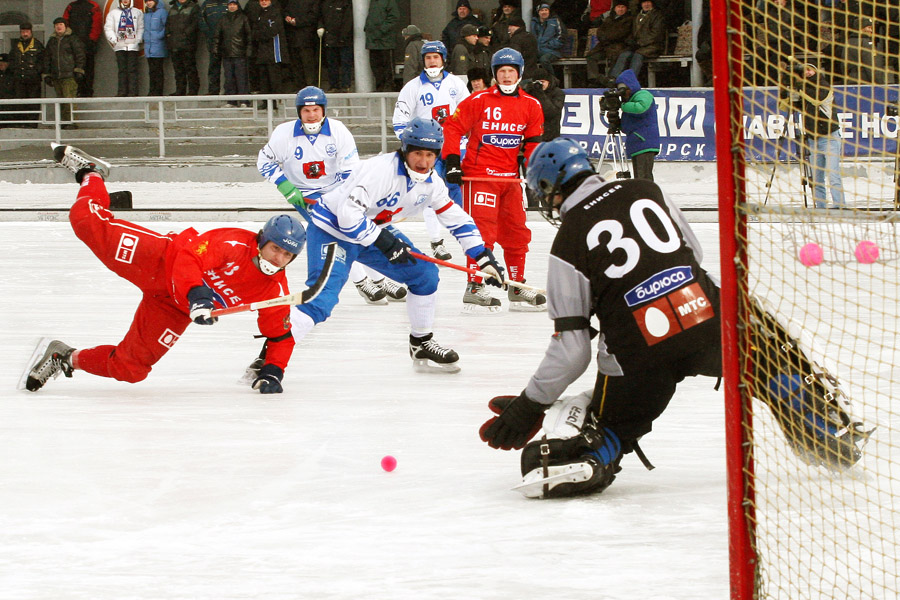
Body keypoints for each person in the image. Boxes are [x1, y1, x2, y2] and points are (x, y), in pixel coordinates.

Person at [479, 138, 867, 498]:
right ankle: (819, 420)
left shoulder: (566, 244)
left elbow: (572, 351)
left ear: (550, 191)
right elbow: (693, 255)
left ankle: (592, 456)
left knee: (614, 426)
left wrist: (531, 404)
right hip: (704, 320)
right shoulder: (647, 190)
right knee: (765, 356)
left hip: (638, 353)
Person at [24, 143, 306, 395]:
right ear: (261, 241)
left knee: (130, 369)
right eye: (275, 248)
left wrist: (274, 371)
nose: (279, 258)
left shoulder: (275, 289)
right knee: (85, 221)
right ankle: (91, 173)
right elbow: (189, 260)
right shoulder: (232, 243)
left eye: (287, 254)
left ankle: (64, 357)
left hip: (172, 307)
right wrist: (198, 295)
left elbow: (280, 336)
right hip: (159, 260)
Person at [275, 117, 505, 374]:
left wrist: (483, 256)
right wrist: (384, 242)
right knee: (321, 301)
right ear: (405, 150)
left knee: (424, 274)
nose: (423, 161)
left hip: (372, 231)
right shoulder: (380, 171)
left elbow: (457, 218)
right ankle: (270, 356)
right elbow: (348, 215)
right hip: (333, 231)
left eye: (430, 155)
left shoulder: (432, 183)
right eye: (417, 153)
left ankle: (421, 341)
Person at [258, 86, 406, 304]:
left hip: (337, 191)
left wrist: (345, 199)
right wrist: (286, 187)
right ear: (299, 112)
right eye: (306, 111)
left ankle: (380, 279)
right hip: (304, 195)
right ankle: (361, 282)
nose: (311, 115)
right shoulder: (283, 133)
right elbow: (264, 161)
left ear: (323, 110)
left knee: (361, 230)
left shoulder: (338, 130)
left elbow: (351, 170)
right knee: (338, 234)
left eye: (316, 110)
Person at [442, 47, 546, 312]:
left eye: (512, 71)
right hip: (479, 178)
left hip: (510, 180)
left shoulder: (531, 105)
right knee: (482, 232)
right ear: (494, 74)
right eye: (502, 71)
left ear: (520, 73)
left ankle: (515, 285)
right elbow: (452, 128)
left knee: (516, 232)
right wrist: (452, 161)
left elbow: (533, 143)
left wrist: (533, 174)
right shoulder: (479, 100)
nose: (507, 76)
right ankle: (475, 285)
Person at [393, 40, 470, 261]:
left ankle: (467, 238)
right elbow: (400, 119)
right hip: (428, 149)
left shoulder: (456, 83)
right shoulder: (412, 87)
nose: (432, 61)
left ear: (443, 59)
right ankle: (436, 241)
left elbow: (468, 113)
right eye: (428, 57)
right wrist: (411, 145)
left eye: (436, 57)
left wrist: (468, 137)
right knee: (430, 192)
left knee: (460, 192)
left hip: (456, 147)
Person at [779, 62, 847, 209]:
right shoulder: (803, 88)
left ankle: (840, 205)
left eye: (810, 70)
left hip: (830, 137)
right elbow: (785, 106)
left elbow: (816, 100)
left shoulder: (824, 86)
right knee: (816, 177)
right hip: (813, 138)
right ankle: (820, 206)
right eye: (805, 71)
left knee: (833, 174)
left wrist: (799, 87)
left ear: (816, 72)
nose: (808, 73)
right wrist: (785, 88)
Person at [614, 68, 659, 181]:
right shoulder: (629, 102)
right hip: (637, 142)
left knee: (643, 178)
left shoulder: (643, 94)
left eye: (624, 89)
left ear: (631, 86)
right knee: (639, 178)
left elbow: (641, 108)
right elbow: (628, 126)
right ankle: (642, 195)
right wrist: (617, 123)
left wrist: (621, 106)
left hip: (644, 141)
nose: (623, 92)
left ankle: (647, 196)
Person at [43, 17, 85, 129]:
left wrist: (79, 70)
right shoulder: (51, 41)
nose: (58, 27)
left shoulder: (72, 39)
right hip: (56, 77)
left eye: (61, 24)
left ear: (65, 26)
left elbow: (80, 55)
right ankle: (64, 122)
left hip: (69, 76)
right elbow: (47, 58)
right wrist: (47, 75)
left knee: (69, 100)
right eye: (56, 25)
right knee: (60, 101)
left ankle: (72, 122)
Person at [608, 0, 665, 80]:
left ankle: (630, 80)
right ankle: (613, 78)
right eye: (644, 2)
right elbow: (632, 32)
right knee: (624, 54)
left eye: (648, 2)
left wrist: (640, 43)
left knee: (638, 55)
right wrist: (631, 41)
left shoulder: (657, 16)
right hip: (637, 46)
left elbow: (656, 34)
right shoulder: (637, 16)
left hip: (652, 46)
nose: (646, 4)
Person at [585, 0, 632, 87]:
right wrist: (606, 38)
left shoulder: (629, 20)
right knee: (591, 56)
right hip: (604, 45)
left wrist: (607, 37)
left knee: (616, 56)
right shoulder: (609, 19)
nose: (620, 9)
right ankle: (594, 79)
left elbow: (621, 34)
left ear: (626, 9)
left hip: (619, 46)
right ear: (614, 8)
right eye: (618, 7)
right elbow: (600, 32)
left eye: (623, 7)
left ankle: (611, 81)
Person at [251, 0, 290, 105]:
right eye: (261, 0)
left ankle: (277, 103)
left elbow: (273, 30)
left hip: (274, 51)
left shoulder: (275, 12)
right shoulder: (258, 13)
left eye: (266, 0)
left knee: (274, 78)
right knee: (263, 79)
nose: (263, 2)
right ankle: (266, 103)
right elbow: (254, 32)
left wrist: (261, 35)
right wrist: (258, 35)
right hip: (262, 51)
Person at [214, 0, 252, 106]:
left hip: (240, 53)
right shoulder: (223, 19)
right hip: (226, 53)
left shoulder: (243, 18)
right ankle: (231, 101)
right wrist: (216, 49)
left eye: (234, 4)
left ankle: (244, 101)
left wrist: (249, 49)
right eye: (230, 5)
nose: (232, 7)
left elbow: (249, 35)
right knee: (229, 79)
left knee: (242, 78)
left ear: (237, 6)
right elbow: (217, 35)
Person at [8, 23, 45, 128]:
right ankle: (21, 123)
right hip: (19, 79)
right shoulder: (16, 45)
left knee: (33, 102)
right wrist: (15, 70)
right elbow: (11, 59)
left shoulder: (37, 45)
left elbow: (43, 60)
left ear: (31, 32)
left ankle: (32, 124)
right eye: (23, 32)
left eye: (27, 32)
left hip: (33, 80)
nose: (25, 34)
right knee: (20, 102)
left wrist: (36, 71)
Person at [63, 0, 103, 97]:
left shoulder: (93, 6)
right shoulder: (71, 6)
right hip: (74, 43)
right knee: (75, 69)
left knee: (88, 69)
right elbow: (65, 23)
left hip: (87, 43)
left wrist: (92, 40)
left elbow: (97, 24)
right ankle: (77, 91)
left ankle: (87, 91)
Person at [104, 0, 143, 97]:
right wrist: (114, 40)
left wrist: (137, 40)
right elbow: (108, 28)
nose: (125, 1)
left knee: (132, 69)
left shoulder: (137, 12)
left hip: (132, 46)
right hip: (119, 46)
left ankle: (133, 92)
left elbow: (141, 28)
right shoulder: (113, 13)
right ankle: (122, 92)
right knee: (122, 70)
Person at [283, 0, 322, 89]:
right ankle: (299, 87)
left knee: (308, 64)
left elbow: (314, 16)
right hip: (292, 37)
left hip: (307, 37)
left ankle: (311, 87)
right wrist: (287, 17)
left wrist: (298, 21)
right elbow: (285, 10)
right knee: (296, 64)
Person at [166, 0, 201, 96]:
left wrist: (186, 34)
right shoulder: (173, 8)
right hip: (174, 44)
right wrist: (169, 35)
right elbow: (168, 24)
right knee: (178, 69)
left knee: (190, 68)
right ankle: (180, 90)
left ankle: (193, 91)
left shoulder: (194, 7)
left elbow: (196, 23)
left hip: (188, 44)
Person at [364, 0, 399, 92]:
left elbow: (394, 18)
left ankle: (389, 88)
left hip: (386, 42)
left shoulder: (389, 2)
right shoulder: (373, 2)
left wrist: (381, 31)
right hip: (373, 42)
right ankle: (380, 88)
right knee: (375, 68)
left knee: (387, 67)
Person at [524, 66, 565, 141]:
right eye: (537, 82)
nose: (540, 85)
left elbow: (551, 113)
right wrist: (528, 91)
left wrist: (540, 93)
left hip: (550, 136)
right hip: (532, 135)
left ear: (549, 81)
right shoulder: (531, 92)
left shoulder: (557, 93)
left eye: (542, 82)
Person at [321, 0, 353, 93]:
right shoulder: (325, 3)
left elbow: (348, 20)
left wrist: (344, 36)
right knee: (331, 63)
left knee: (345, 62)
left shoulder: (345, 2)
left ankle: (345, 85)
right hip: (330, 38)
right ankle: (333, 85)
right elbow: (321, 18)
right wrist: (320, 26)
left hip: (344, 39)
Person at [846, 18, 886, 84]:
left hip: (851, 81)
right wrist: (880, 84)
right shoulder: (865, 43)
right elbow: (870, 66)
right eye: (869, 27)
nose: (871, 30)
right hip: (865, 82)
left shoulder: (849, 41)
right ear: (860, 28)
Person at [200, 0, 229, 94]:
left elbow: (239, 17)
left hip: (229, 41)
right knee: (213, 66)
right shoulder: (206, 4)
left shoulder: (230, 2)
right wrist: (208, 33)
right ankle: (213, 91)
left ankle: (229, 91)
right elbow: (201, 20)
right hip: (213, 41)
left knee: (229, 67)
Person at [143, 0, 169, 96]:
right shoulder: (146, 14)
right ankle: (152, 91)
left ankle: (158, 92)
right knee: (151, 71)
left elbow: (167, 26)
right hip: (148, 46)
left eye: (150, 0)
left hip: (159, 46)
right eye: (147, 1)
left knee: (158, 70)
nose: (148, 3)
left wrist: (159, 36)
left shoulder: (162, 12)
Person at [531, 3, 564, 73]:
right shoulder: (534, 23)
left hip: (552, 51)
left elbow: (562, 37)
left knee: (544, 60)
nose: (544, 12)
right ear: (538, 12)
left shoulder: (555, 22)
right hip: (537, 50)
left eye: (546, 10)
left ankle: (551, 80)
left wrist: (549, 44)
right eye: (542, 10)